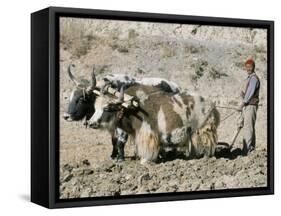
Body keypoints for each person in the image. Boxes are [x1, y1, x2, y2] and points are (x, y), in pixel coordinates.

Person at [238, 59, 260, 156]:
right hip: (247, 105)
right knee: (248, 126)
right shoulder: (249, 78)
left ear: (253, 67)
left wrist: (242, 104)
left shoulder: (254, 78)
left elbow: (250, 93)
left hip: (250, 105)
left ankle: (247, 150)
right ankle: (250, 148)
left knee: (248, 127)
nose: (248, 69)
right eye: (246, 67)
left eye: (250, 67)